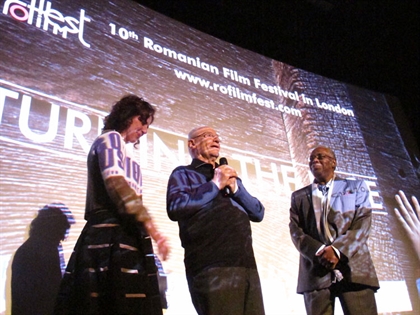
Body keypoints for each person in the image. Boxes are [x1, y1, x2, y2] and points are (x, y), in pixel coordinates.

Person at [54, 95, 169, 315]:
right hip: (109, 236)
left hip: (126, 235)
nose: (145, 130)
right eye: (142, 121)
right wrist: (154, 232)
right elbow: (118, 187)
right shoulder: (110, 139)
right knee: (112, 300)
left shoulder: (128, 154)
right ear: (127, 116)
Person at [166, 126, 265, 315]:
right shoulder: (183, 174)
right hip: (212, 267)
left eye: (217, 137)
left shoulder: (229, 177)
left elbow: (257, 213)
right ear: (192, 144)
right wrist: (214, 185)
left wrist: (236, 187)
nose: (216, 140)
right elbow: (176, 207)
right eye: (208, 136)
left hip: (246, 267)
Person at [289, 146, 379, 315]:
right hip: (316, 273)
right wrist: (320, 251)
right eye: (312, 159)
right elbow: (296, 230)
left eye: (320, 157)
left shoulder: (356, 187)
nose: (315, 160)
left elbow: (362, 223)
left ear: (333, 162)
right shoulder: (298, 196)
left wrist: (337, 251)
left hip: (354, 271)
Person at [12, 203, 73, 315]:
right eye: (61, 233)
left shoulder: (29, 248)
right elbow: (52, 292)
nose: (62, 239)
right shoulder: (44, 251)